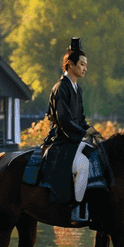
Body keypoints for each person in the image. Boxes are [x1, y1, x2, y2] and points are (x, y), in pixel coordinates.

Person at [42, 37, 102, 222]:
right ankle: (75, 209)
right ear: (69, 65)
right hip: (62, 140)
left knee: (96, 157)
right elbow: (64, 120)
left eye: (86, 65)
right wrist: (83, 133)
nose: (85, 68)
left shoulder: (77, 89)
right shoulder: (61, 88)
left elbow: (79, 118)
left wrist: (91, 129)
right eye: (82, 64)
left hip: (74, 138)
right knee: (82, 166)